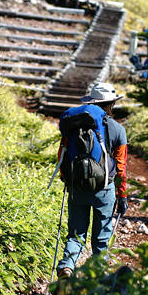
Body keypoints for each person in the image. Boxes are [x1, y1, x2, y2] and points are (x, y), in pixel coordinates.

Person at [56, 82, 128, 280]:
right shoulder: (118, 129)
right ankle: (98, 282)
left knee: (76, 234)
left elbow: (62, 154)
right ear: (111, 104)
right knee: (101, 240)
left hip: (77, 189)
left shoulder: (75, 125)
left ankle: (66, 269)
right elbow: (120, 167)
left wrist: (67, 180)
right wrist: (122, 196)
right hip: (104, 190)